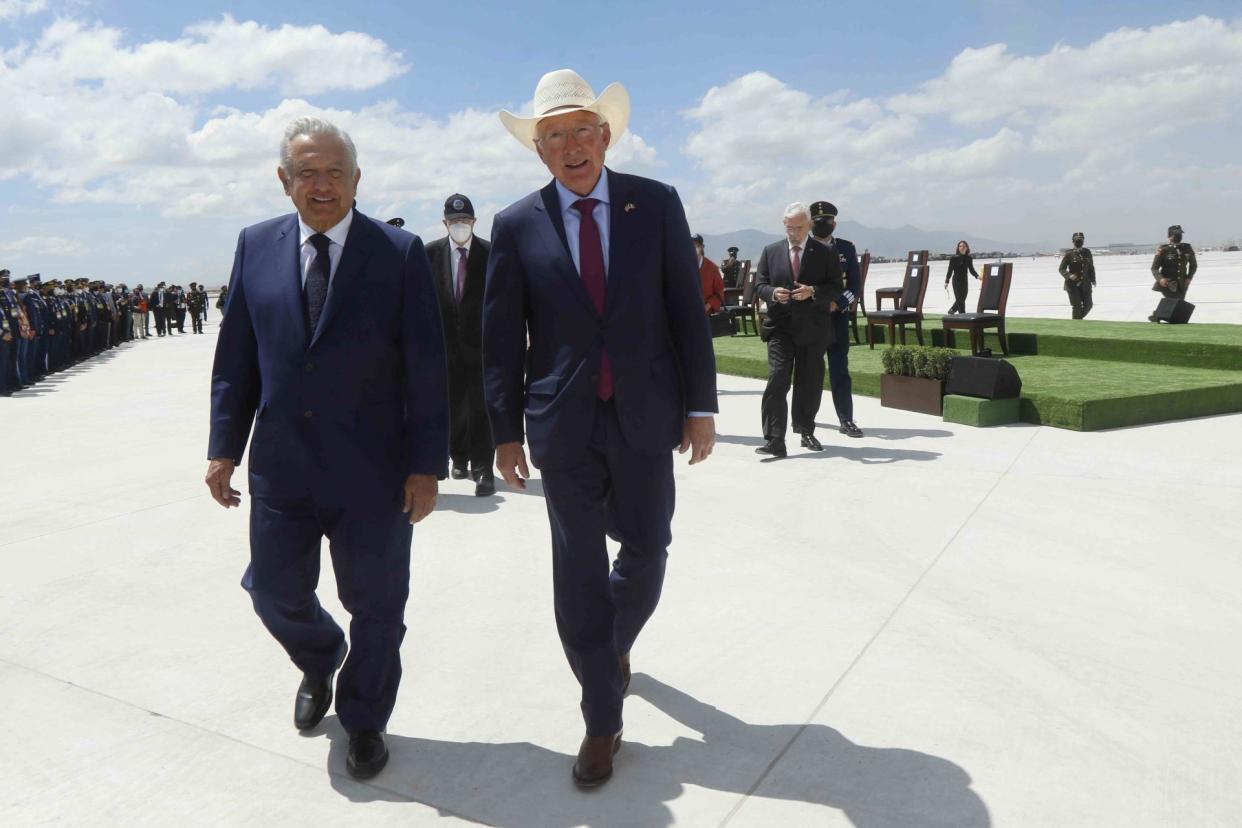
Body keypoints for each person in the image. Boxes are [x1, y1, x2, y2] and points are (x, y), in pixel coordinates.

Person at [484, 68, 717, 787]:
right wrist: (504, 430)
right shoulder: (516, 225)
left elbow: (685, 309)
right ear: (539, 151)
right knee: (578, 571)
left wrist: (701, 407)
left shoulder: (657, 204)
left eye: (581, 129)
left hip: (647, 414)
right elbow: (500, 339)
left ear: (605, 135)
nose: (569, 145)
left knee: (648, 549)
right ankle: (600, 718)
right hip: (563, 425)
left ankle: (611, 646)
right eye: (552, 135)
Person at [206, 116, 449, 781]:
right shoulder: (255, 246)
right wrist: (224, 446)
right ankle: (319, 657)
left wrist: (427, 466)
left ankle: (365, 719)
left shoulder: (397, 254)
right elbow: (237, 360)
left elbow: (428, 366)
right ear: (284, 180)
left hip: (375, 471)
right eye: (307, 173)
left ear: (357, 180)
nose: (322, 185)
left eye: (335, 172)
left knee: (378, 605)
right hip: (282, 467)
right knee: (274, 592)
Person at [754, 202, 843, 457]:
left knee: (809, 382)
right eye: (789, 227)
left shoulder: (824, 252)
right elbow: (759, 285)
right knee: (777, 380)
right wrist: (772, 293)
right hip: (780, 329)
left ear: (809, 225)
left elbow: (836, 286)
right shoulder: (771, 251)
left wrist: (813, 291)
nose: (793, 232)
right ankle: (774, 440)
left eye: (799, 227)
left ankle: (805, 430)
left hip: (812, 330)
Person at [425, 194, 496, 496]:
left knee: (481, 408)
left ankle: (483, 469)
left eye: (465, 221)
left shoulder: (491, 253)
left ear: (474, 222)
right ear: (445, 223)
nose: (460, 226)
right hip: (444, 347)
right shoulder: (429, 254)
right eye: (454, 222)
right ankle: (458, 457)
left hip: (481, 347)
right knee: (451, 406)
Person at [809, 201, 863, 438]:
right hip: (811, 319)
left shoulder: (846, 249)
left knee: (840, 369)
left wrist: (838, 304)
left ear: (835, 223)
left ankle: (846, 419)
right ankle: (805, 420)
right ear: (811, 223)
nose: (823, 224)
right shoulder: (803, 249)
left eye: (827, 221)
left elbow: (854, 285)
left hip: (837, 318)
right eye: (819, 221)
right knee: (810, 371)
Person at [1149, 225, 1197, 322]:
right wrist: (1160, 279)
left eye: (1179, 234)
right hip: (1168, 282)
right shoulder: (1163, 249)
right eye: (1176, 234)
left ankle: (1157, 316)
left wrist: (1189, 277)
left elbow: (1193, 265)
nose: (1178, 236)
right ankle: (1159, 315)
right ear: (1170, 236)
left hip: (1182, 283)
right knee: (1175, 302)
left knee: (1178, 304)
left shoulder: (1187, 248)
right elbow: (1154, 268)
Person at [1058, 232, 1095, 319]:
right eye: (1077, 240)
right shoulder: (1069, 254)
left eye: (1081, 240)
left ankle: (1076, 321)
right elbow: (1061, 269)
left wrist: (1093, 279)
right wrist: (1069, 275)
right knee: (1077, 307)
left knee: (1088, 305)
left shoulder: (1087, 252)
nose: (1079, 241)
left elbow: (1091, 267)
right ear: (1073, 241)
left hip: (1085, 284)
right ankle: (1076, 324)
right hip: (1072, 285)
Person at [944, 240, 979, 315]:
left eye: (963, 246)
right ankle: (962, 314)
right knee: (959, 299)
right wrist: (947, 281)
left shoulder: (969, 258)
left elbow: (971, 269)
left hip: (964, 281)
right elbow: (950, 270)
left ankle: (953, 310)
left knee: (963, 298)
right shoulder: (953, 258)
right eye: (960, 246)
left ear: (967, 248)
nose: (962, 247)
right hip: (956, 280)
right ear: (958, 248)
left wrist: (977, 276)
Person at [693, 233, 725, 313]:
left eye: (696, 246)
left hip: (707, 314)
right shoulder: (683, 267)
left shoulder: (712, 268)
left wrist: (707, 306)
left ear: (702, 247)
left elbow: (719, 291)